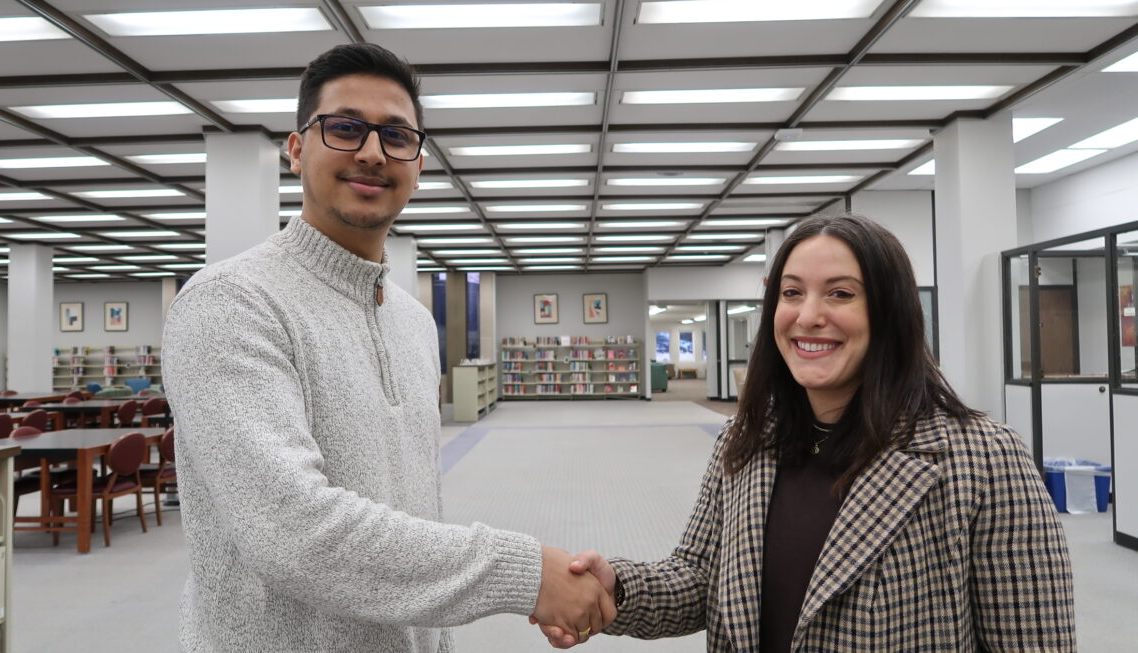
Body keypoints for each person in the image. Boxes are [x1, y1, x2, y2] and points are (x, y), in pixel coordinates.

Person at [162, 43, 613, 653]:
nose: (373, 152)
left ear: (418, 164)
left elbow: (418, 509)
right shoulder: (230, 303)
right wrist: (526, 575)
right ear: (296, 150)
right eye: (345, 128)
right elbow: (292, 531)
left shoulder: (412, 321)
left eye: (397, 137)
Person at [533, 214, 1076, 651]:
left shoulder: (981, 460)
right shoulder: (746, 442)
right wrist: (617, 589)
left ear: (888, 314)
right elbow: (700, 578)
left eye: (840, 294)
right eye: (792, 293)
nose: (808, 315)